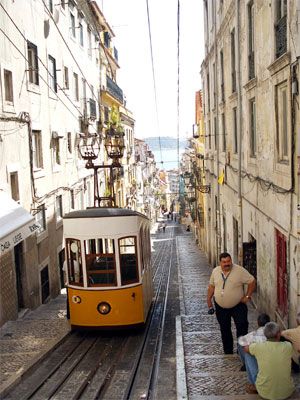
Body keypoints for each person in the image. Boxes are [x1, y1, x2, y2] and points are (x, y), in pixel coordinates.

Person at [207, 252, 256, 354]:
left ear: (231, 261)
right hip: (220, 307)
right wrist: (209, 301)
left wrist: (247, 296)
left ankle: (241, 352)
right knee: (224, 329)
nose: (226, 264)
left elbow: (252, 281)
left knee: (242, 327)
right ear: (220, 262)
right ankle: (228, 351)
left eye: (228, 261)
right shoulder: (215, 271)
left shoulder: (239, 270)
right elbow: (211, 286)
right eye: (224, 262)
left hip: (238, 306)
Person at [244, 322, 295, 399]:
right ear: (278, 334)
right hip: (286, 392)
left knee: (248, 354)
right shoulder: (288, 346)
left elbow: (245, 348)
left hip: (264, 392)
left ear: (265, 334)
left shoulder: (259, 346)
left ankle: (253, 383)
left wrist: (252, 339)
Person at [237, 313, 270, 393]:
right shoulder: (285, 345)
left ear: (257, 323)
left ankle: (254, 382)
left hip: (258, 353)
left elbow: (241, 341)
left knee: (247, 352)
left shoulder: (254, 335)